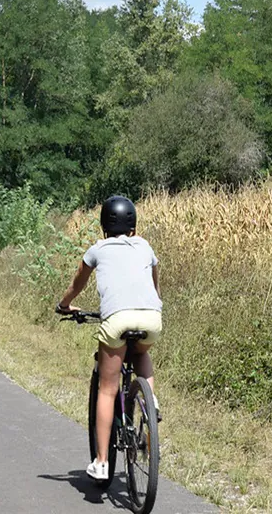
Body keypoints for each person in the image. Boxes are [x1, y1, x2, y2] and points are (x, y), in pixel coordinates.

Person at [56, 195, 162, 482]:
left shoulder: (97, 249)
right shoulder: (144, 246)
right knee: (140, 353)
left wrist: (65, 305)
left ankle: (102, 463)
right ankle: (150, 406)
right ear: (133, 227)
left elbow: (76, 284)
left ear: (104, 226)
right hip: (151, 317)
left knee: (107, 387)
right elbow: (153, 280)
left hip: (116, 321)